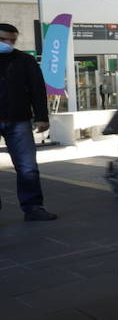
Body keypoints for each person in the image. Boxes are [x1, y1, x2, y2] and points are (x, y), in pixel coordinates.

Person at [0, 23, 56, 222]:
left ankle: (33, 208)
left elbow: (37, 90)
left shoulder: (25, 60)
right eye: (3, 39)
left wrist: (42, 116)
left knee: (27, 167)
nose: (8, 43)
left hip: (19, 120)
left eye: (12, 40)